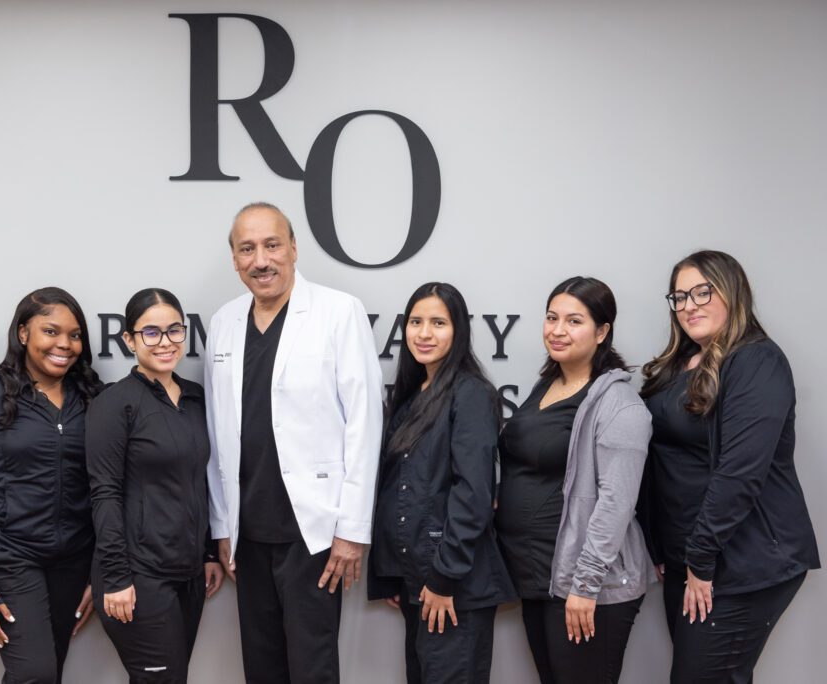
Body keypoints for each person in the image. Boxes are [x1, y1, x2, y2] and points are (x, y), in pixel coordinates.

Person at [204, 202, 383, 684]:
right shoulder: (223, 322)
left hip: (315, 532)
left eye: (271, 245)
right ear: (235, 260)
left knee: (312, 667)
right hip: (248, 532)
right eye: (247, 249)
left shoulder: (339, 312)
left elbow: (364, 425)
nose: (260, 260)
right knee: (261, 667)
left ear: (294, 249)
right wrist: (222, 526)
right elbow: (218, 436)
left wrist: (351, 530)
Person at [639, 250, 819, 683]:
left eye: (703, 291)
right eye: (679, 297)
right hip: (689, 557)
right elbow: (661, 459)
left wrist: (700, 561)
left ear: (733, 292)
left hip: (739, 561)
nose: (689, 305)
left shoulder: (756, 361)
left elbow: (740, 472)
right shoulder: (676, 366)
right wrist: (662, 546)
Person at [496, 276, 653, 684]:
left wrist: (585, 586)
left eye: (574, 321)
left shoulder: (619, 405)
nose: (558, 330)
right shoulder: (548, 385)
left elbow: (616, 504)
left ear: (602, 332)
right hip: (539, 575)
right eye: (552, 318)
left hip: (584, 587)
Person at [0, 287, 103, 683]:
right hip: (10, 558)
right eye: (51, 331)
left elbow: (107, 488)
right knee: (35, 673)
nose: (64, 344)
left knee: (51, 673)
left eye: (75, 335)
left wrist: (100, 573)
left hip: (73, 561)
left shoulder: (91, 399)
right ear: (22, 333)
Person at [367, 282, 516, 683]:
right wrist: (397, 574)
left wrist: (444, 576)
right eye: (416, 322)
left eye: (438, 322)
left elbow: (473, 495)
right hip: (419, 579)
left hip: (452, 584)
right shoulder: (413, 395)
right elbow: (400, 487)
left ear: (459, 331)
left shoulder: (470, 394)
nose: (424, 333)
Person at [86, 287, 224, 683]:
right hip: (138, 575)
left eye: (174, 330)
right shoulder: (114, 404)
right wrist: (116, 578)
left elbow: (201, 481)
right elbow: (105, 493)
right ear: (129, 339)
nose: (165, 342)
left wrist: (209, 554)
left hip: (189, 574)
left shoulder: (196, 398)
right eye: (151, 332)